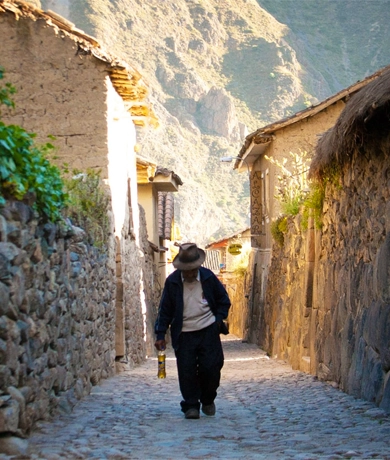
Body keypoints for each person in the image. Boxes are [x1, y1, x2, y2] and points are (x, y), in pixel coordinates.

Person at [154, 242, 231, 419]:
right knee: (186, 370)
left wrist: (217, 321)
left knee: (212, 367)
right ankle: (190, 405)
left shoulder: (208, 278)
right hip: (184, 333)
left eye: (192, 269)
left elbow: (223, 301)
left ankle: (208, 398)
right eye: (185, 269)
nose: (189, 273)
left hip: (208, 330)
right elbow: (165, 309)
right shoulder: (172, 282)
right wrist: (160, 333)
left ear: (198, 266)